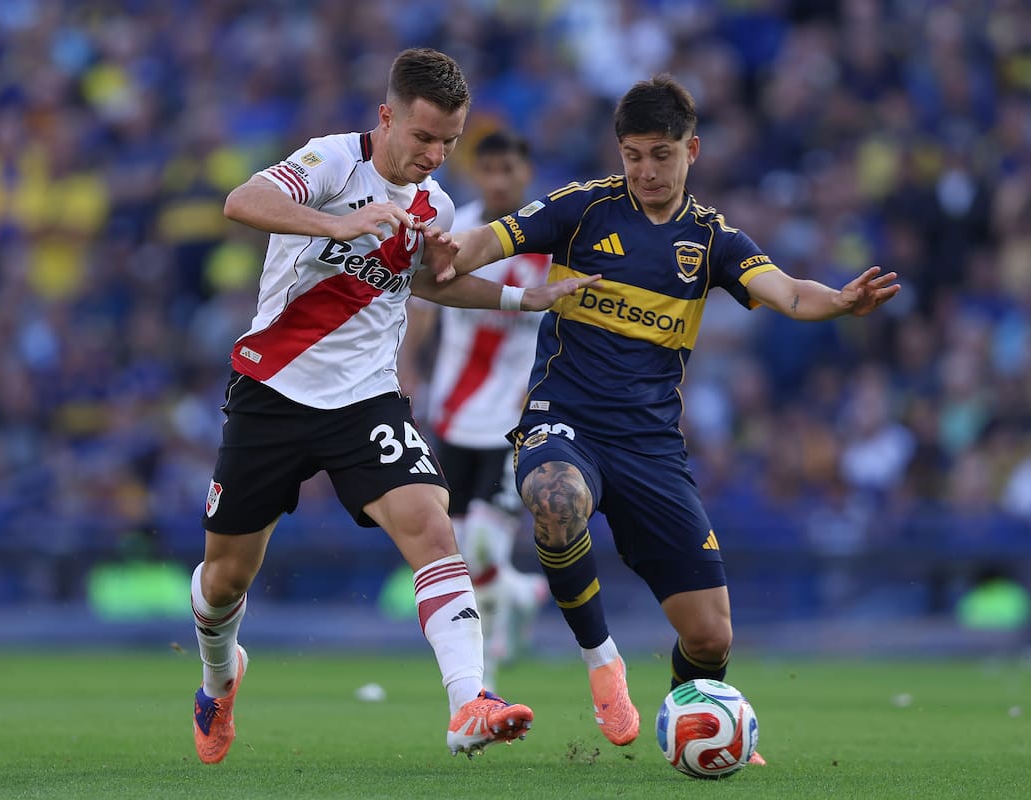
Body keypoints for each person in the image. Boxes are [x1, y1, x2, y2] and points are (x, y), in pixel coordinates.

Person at [446, 75, 900, 757]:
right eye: (633, 154)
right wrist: (453, 249)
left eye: (661, 154)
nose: (646, 170)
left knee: (711, 635)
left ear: (693, 150)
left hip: (651, 447)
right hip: (562, 418)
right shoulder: (583, 209)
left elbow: (785, 292)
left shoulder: (711, 238)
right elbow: (490, 239)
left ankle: (692, 716)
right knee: (553, 496)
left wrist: (837, 300)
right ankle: (605, 665)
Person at [188, 48, 599, 765]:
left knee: (433, 530)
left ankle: (470, 699)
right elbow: (241, 201)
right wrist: (335, 225)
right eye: (424, 137)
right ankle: (219, 677)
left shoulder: (433, 203)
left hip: (366, 401)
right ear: (388, 118)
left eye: (449, 141)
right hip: (273, 392)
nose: (436, 156)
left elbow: (427, 283)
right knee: (225, 580)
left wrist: (518, 297)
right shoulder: (330, 163)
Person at [401, 130, 550, 691]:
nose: (497, 180)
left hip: (514, 416)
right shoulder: (457, 231)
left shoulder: (548, 239)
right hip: (456, 410)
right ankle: (518, 593)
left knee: (484, 542)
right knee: (460, 546)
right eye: (487, 169)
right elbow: (424, 306)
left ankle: (485, 667)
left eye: (507, 169)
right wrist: (409, 370)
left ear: (524, 173)